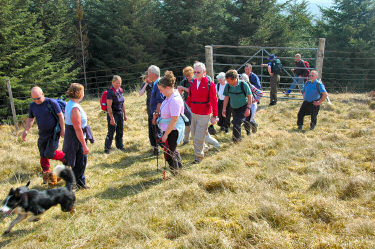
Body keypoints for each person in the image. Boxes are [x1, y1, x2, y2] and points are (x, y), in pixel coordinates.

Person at [22, 87, 66, 185]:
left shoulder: (51, 103)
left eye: (38, 98)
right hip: (42, 133)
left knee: (49, 153)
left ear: (43, 94)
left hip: (54, 132)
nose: (37, 101)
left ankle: (65, 158)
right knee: (42, 152)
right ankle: (46, 173)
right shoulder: (32, 105)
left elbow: (60, 116)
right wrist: (26, 130)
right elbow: (30, 119)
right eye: (34, 99)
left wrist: (63, 129)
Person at [186, 62, 218, 163]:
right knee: (195, 135)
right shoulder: (192, 83)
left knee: (198, 137)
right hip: (193, 112)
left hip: (204, 113)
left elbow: (214, 100)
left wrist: (215, 115)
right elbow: (190, 98)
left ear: (204, 72)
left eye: (198, 72)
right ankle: (204, 148)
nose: (196, 74)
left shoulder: (210, 84)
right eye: (194, 72)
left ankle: (198, 157)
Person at [156, 71, 185, 175]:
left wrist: (166, 135)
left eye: (161, 90)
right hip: (168, 129)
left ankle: (176, 174)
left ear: (167, 88)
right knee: (172, 151)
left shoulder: (174, 100)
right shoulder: (168, 97)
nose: (161, 92)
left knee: (169, 153)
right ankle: (179, 170)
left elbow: (174, 119)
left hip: (173, 130)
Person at [63, 83, 90, 189]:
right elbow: (77, 128)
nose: (83, 93)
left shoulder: (71, 104)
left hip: (75, 135)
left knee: (79, 160)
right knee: (80, 160)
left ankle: (79, 182)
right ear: (78, 93)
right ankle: (76, 183)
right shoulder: (74, 108)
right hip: (76, 137)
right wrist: (84, 145)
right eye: (82, 91)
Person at [223, 70, 252, 143]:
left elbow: (249, 96)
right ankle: (238, 138)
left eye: (229, 81)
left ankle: (237, 139)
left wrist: (248, 108)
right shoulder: (228, 86)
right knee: (237, 122)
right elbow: (226, 97)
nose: (227, 82)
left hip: (243, 107)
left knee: (237, 123)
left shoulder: (243, 84)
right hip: (233, 107)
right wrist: (224, 108)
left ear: (234, 79)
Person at [104, 75, 127, 154]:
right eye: (117, 83)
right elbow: (109, 106)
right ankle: (107, 148)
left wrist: (125, 114)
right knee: (111, 131)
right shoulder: (110, 92)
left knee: (120, 131)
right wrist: (111, 118)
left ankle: (120, 146)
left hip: (120, 113)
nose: (118, 85)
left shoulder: (120, 90)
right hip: (113, 113)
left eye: (120, 83)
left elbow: (122, 103)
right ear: (112, 82)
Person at [139, 71, 157, 152]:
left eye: (148, 77)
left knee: (157, 127)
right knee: (151, 127)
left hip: (157, 106)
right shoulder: (145, 84)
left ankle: (159, 144)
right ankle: (154, 145)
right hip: (149, 107)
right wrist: (146, 84)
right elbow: (140, 94)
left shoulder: (156, 83)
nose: (147, 79)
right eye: (146, 78)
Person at [149, 65, 165, 155]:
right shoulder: (155, 83)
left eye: (148, 73)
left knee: (157, 133)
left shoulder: (158, 83)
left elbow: (160, 100)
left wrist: (156, 115)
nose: (147, 74)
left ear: (152, 73)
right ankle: (156, 149)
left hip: (156, 113)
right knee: (154, 132)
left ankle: (169, 150)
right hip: (154, 112)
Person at [177, 66, 194, 145]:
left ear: (192, 74)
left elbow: (193, 91)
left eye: (189, 76)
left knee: (195, 122)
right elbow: (179, 90)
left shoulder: (195, 81)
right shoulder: (184, 81)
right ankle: (186, 139)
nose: (188, 77)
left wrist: (183, 88)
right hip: (187, 104)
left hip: (196, 103)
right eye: (186, 76)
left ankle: (196, 139)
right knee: (187, 121)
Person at [244, 64, 261, 132]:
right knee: (247, 115)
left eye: (248, 69)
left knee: (251, 115)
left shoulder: (254, 77)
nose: (247, 71)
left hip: (252, 98)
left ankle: (253, 124)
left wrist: (249, 85)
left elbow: (258, 86)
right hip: (245, 99)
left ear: (251, 69)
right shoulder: (243, 76)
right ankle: (248, 126)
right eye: (245, 69)